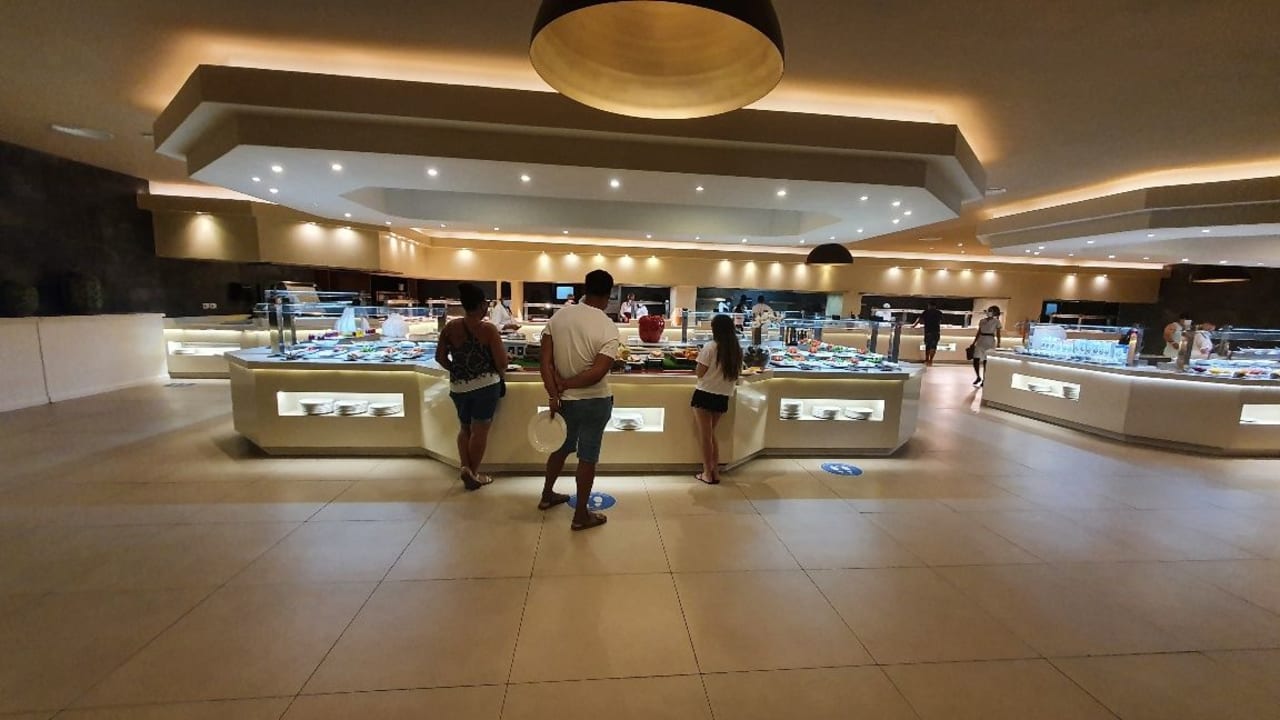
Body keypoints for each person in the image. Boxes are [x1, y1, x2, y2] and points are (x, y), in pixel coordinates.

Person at [540, 269, 620, 531]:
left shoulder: (558, 317)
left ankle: (547, 495)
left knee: (560, 448)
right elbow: (598, 372)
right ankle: (581, 515)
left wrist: (555, 392)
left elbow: (545, 363)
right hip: (595, 401)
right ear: (608, 294)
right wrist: (566, 384)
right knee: (588, 457)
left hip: (565, 401)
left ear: (585, 288)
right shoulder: (607, 325)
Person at [434, 283, 509, 490]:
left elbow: (440, 357)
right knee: (480, 431)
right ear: (482, 305)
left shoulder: (450, 328)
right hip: (486, 387)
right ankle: (473, 474)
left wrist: (457, 370)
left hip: (458, 388)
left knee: (464, 428)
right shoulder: (488, 329)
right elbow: (502, 363)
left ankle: (465, 468)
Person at [690, 314, 742, 485]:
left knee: (706, 437)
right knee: (711, 434)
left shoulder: (710, 347)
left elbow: (699, 372)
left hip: (705, 394)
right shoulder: (735, 350)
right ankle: (715, 472)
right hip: (723, 396)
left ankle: (707, 473)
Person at [969, 305, 1003, 387]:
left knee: (986, 361)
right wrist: (974, 342)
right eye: (988, 310)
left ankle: (985, 378)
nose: (989, 312)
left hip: (990, 340)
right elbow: (979, 332)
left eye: (991, 311)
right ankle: (978, 376)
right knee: (976, 359)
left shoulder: (996, 322)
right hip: (981, 340)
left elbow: (998, 333)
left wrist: (999, 343)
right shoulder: (982, 321)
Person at [913, 301, 944, 366]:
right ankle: (931, 360)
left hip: (928, 331)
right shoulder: (939, 312)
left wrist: (914, 325)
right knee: (934, 346)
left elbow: (919, 319)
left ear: (929, 306)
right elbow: (940, 321)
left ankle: (927, 360)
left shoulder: (926, 312)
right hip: (936, 331)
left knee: (928, 346)